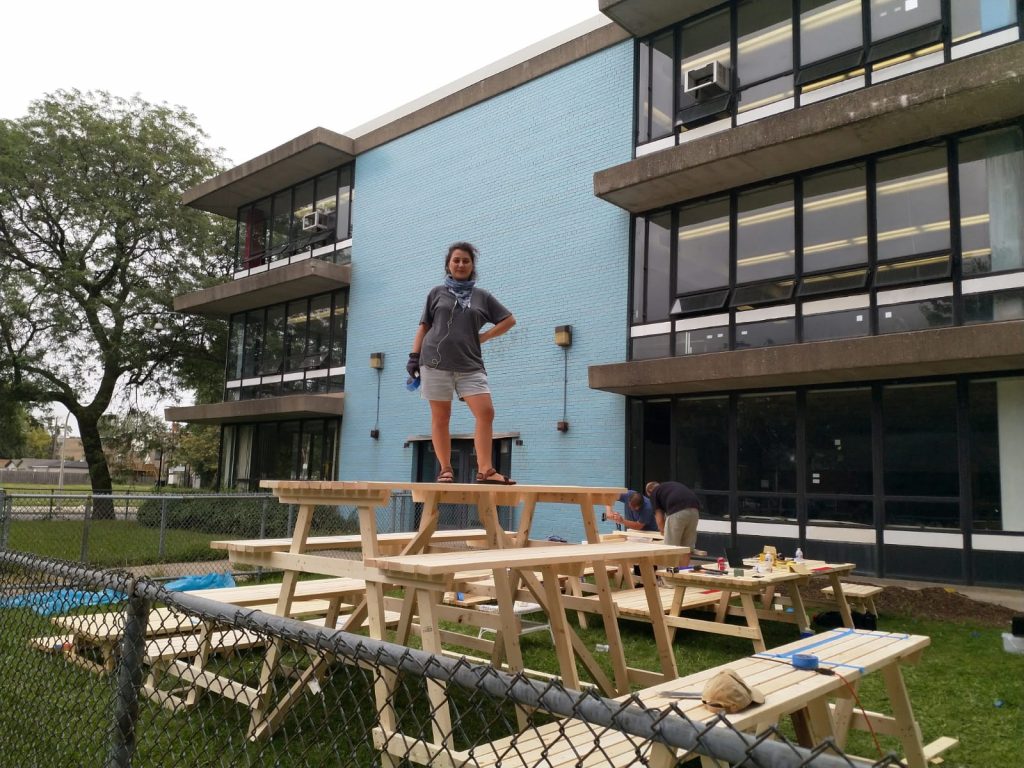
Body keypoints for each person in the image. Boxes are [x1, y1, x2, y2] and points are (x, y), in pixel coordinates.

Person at [408, 242, 516, 484]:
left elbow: (509, 320)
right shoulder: (436, 293)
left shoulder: (482, 296)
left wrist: (485, 336)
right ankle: (446, 469)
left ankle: (486, 470)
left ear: (472, 266)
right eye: (456, 260)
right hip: (435, 361)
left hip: (470, 364)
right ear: (448, 264)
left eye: (466, 260)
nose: (460, 264)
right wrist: (413, 357)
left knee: (486, 412)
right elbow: (423, 326)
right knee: (441, 416)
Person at [645, 480, 701, 566]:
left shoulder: (654, 493)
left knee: (670, 548)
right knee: (686, 548)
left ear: (650, 490)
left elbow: (659, 518)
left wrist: (663, 531)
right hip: (694, 510)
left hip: (677, 512)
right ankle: (682, 574)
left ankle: (669, 577)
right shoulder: (670, 487)